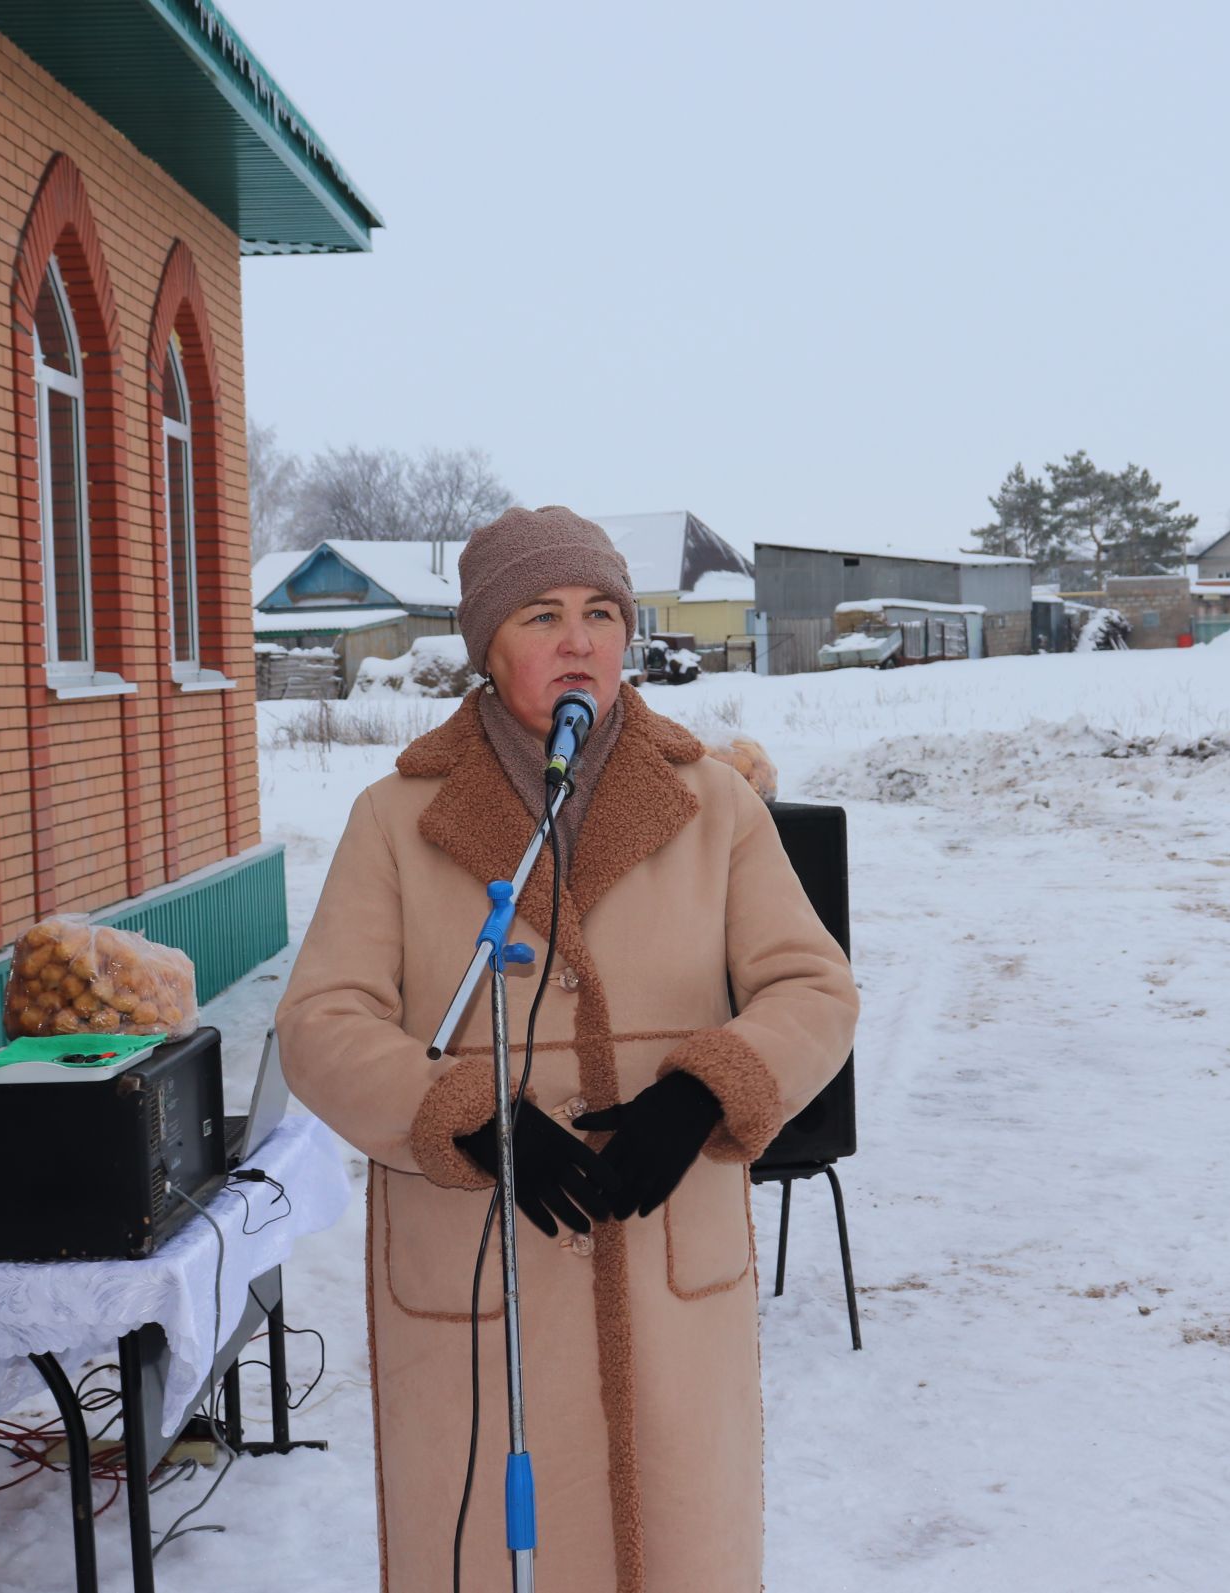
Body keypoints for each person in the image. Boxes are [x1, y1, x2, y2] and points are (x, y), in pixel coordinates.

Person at [276, 505, 859, 1592]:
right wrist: (465, 1115)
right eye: (543, 615)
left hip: (668, 1257)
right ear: (490, 646)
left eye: (602, 612)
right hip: (478, 1273)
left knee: (685, 1543)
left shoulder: (715, 802)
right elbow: (321, 1025)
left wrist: (705, 1092)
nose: (581, 639)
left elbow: (812, 988)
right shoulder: (397, 818)